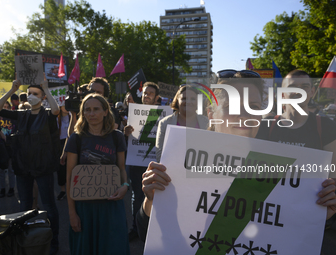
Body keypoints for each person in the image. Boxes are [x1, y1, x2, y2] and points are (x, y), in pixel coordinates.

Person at [136, 70, 336, 251]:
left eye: (254, 107)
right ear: (211, 114)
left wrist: (316, 214)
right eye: (232, 106)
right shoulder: (181, 161)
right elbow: (154, 238)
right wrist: (151, 201)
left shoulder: (277, 168)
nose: (245, 114)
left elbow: (287, 236)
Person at [255, 69, 336, 254]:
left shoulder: (326, 126)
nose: (299, 92)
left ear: (312, 92)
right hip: (270, 218)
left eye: (304, 87)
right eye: (293, 87)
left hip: (310, 221)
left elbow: (334, 175)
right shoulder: (267, 125)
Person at [0, 74, 60, 255]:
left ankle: (53, 242)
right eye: (29, 93)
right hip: (23, 167)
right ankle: (26, 241)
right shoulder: (21, 115)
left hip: (43, 167)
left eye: (36, 93)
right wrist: (12, 90)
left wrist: (46, 88)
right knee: (24, 205)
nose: (31, 96)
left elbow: (56, 110)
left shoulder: (47, 114)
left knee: (48, 205)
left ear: (42, 97)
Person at [65, 93, 130, 255]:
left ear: (105, 111)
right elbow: (70, 178)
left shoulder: (117, 137)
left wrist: (125, 186)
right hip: (84, 208)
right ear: (83, 113)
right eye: (87, 110)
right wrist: (72, 213)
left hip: (111, 205)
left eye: (96, 109)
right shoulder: (76, 138)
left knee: (113, 248)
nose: (91, 114)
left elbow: (121, 168)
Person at [124, 81, 160, 240]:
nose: (147, 96)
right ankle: (136, 227)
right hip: (136, 162)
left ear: (156, 97)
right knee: (136, 196)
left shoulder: (162, 114)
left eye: (150, 93)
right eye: (145, 93)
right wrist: (125, 132)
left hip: (153, 162)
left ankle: (152, 228)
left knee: (155, 197)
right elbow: (127, 138)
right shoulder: (134, 113)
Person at [156, 85, 209, 162]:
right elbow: (160, 154)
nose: (188, 102)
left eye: (193, 99)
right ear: (177, 101)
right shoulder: (164, 123)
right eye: (184, 98)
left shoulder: (207, 123)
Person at [0, 101, 16, 198]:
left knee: (11, 169)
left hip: (11, 146)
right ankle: (2, 188)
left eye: (6, 107)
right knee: (1, 170)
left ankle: (11, 188)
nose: (5, 108)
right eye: (3, 107)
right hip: (1, 146)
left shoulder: (13, 118)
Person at [56, 105, 70, 200]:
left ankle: (70, 189)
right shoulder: (56, 118)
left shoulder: (72, 116)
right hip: (60, 143)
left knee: (71, 166)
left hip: (70, 142)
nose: (65, 107)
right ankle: (62, 190)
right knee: (61, 168)